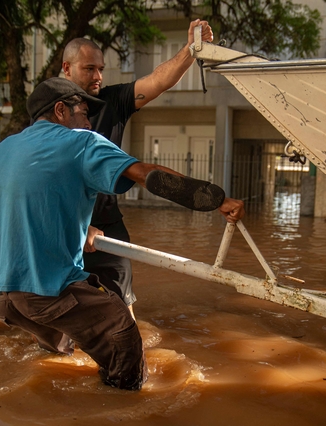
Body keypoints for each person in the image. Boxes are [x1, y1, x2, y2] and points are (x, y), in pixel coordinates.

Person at [0, 78, 244, 390]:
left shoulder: (3, 148)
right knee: (122, 330)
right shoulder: (80, 142)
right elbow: (147, 175)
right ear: (61, 110)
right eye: (85, 113)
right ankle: (123, 416)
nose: (89, 123)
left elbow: (16, 205)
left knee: (61, 344)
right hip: (41, 293)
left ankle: (52, 388)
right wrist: (217, 200)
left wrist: (80, 228)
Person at [62, 19, 214, 316]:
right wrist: (75, 226)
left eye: (101, 69)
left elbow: (159, 81)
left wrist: (191, 50)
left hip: (106, 222)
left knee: (123, 305)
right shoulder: (48, 110)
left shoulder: (112, 100)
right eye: (89, 69)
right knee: (61, 311)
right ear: (67, 69)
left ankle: (132, 358)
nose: (98, 76)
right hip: (61, 222)